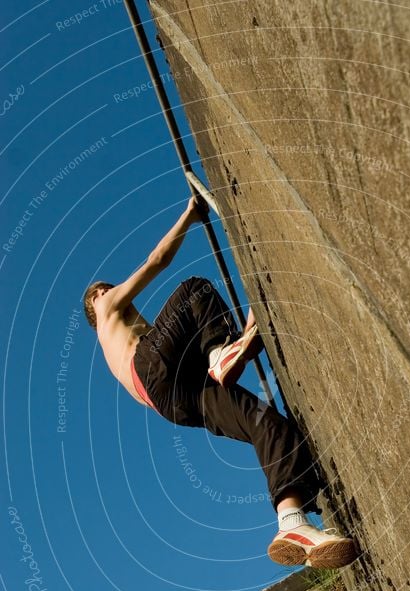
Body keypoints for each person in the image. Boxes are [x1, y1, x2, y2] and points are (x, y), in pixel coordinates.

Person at [83, 196, 357, 569]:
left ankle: (293, 523)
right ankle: (220, 354)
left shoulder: (130, 343)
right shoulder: (105, 310)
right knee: (194, 289)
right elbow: (157, 261)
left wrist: (241, 338)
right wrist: (189, 215)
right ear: (97, 300)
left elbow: (166, 376)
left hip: (175, 404)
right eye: (105, 288)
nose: (111, 290)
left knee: (267, 424)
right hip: (157, 375)